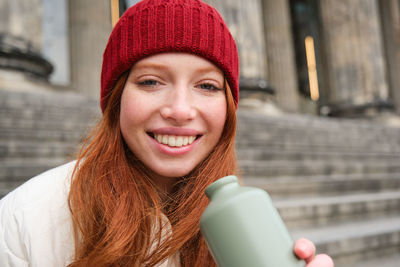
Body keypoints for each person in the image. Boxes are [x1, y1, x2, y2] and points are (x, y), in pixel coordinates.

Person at [0, 0, 334, 266]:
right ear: (116, 98)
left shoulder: (244, 219)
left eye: (206, 85)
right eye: (150, 81)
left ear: (229, 107)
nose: (180, 110)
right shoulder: (22, 221)